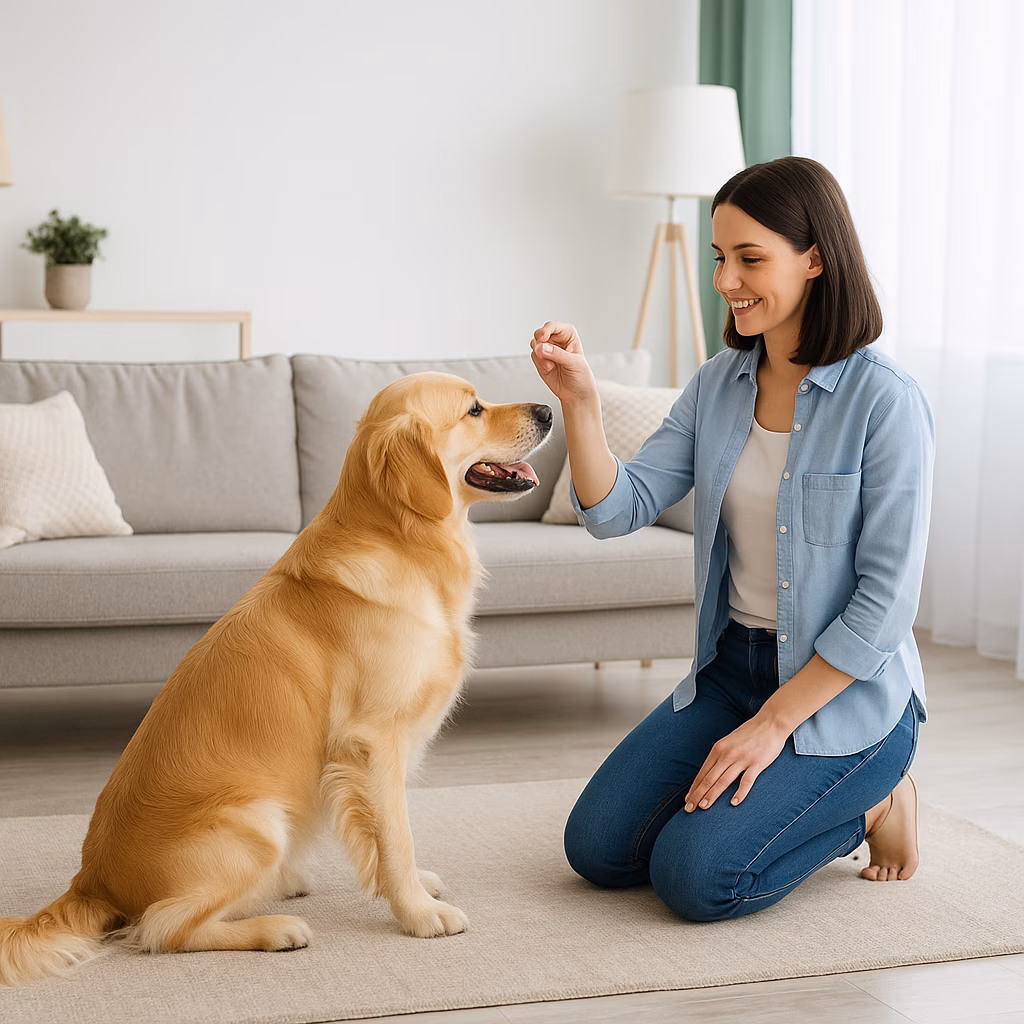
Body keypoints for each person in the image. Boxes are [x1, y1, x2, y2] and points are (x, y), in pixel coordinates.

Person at [529, 155, 933, 922]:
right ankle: (777, 796)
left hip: (842, 695)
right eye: (722, 257)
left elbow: (884, 605)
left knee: (695, 879)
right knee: (602, 851)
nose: (726, 280)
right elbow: (616, 510)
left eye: (751, 258)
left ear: (815, 258)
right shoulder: (719, 382)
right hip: (731, 672)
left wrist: (772, 726)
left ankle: (875, 804)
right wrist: (580, 402)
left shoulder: (887, 403)